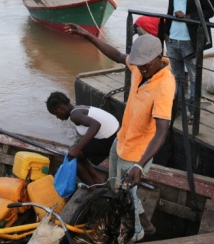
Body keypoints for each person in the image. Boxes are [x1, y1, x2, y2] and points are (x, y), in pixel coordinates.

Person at [65, 26, 174, 242]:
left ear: (158, 58)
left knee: (126, 195)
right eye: (138, 65)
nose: (140, 69)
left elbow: (162, 131)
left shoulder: (165, 86)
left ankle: (137, 234)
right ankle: (147, 225)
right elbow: (116, 55)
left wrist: (140, 165)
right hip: (121, 140)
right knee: (116, 186)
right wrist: (88, 35)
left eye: (145, 66)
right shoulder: (140, 67)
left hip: (136, 153)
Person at [161, 0, 214, 123]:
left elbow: (209, 12)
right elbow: (170, 10)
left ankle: (193, 113)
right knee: (175, 78)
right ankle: (176, 109)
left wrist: (188, 16)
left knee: (194, 77)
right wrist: (165, 31)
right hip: (173, 40)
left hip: (191, 40)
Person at [45, 92, 119, 186]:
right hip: (114, 134)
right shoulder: (78, 108)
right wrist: (77, 147)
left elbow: (95, 125)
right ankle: (97, 179)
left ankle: (92, 187)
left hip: (110, 140)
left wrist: (78, 148)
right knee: (76, 151)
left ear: (61, 108)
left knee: (72, 157)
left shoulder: (74, 116)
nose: (58, 117)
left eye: (56, 114)